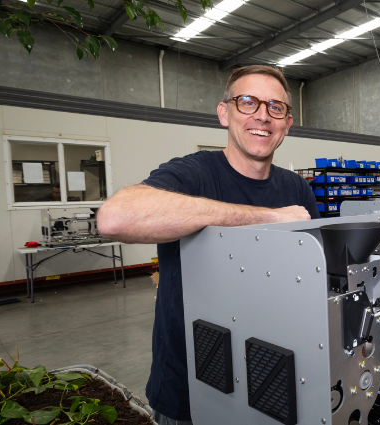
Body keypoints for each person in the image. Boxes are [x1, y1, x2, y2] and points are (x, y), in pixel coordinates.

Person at [98, 65, 317, 425]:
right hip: (190, 392)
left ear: (287, 123)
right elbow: (115, 217)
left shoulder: (297, 190)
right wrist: (269, 217)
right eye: (248, 102)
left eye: (276, 107)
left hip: (273, 387)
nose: (263, 115)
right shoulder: (193, 173)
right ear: (224, 113)